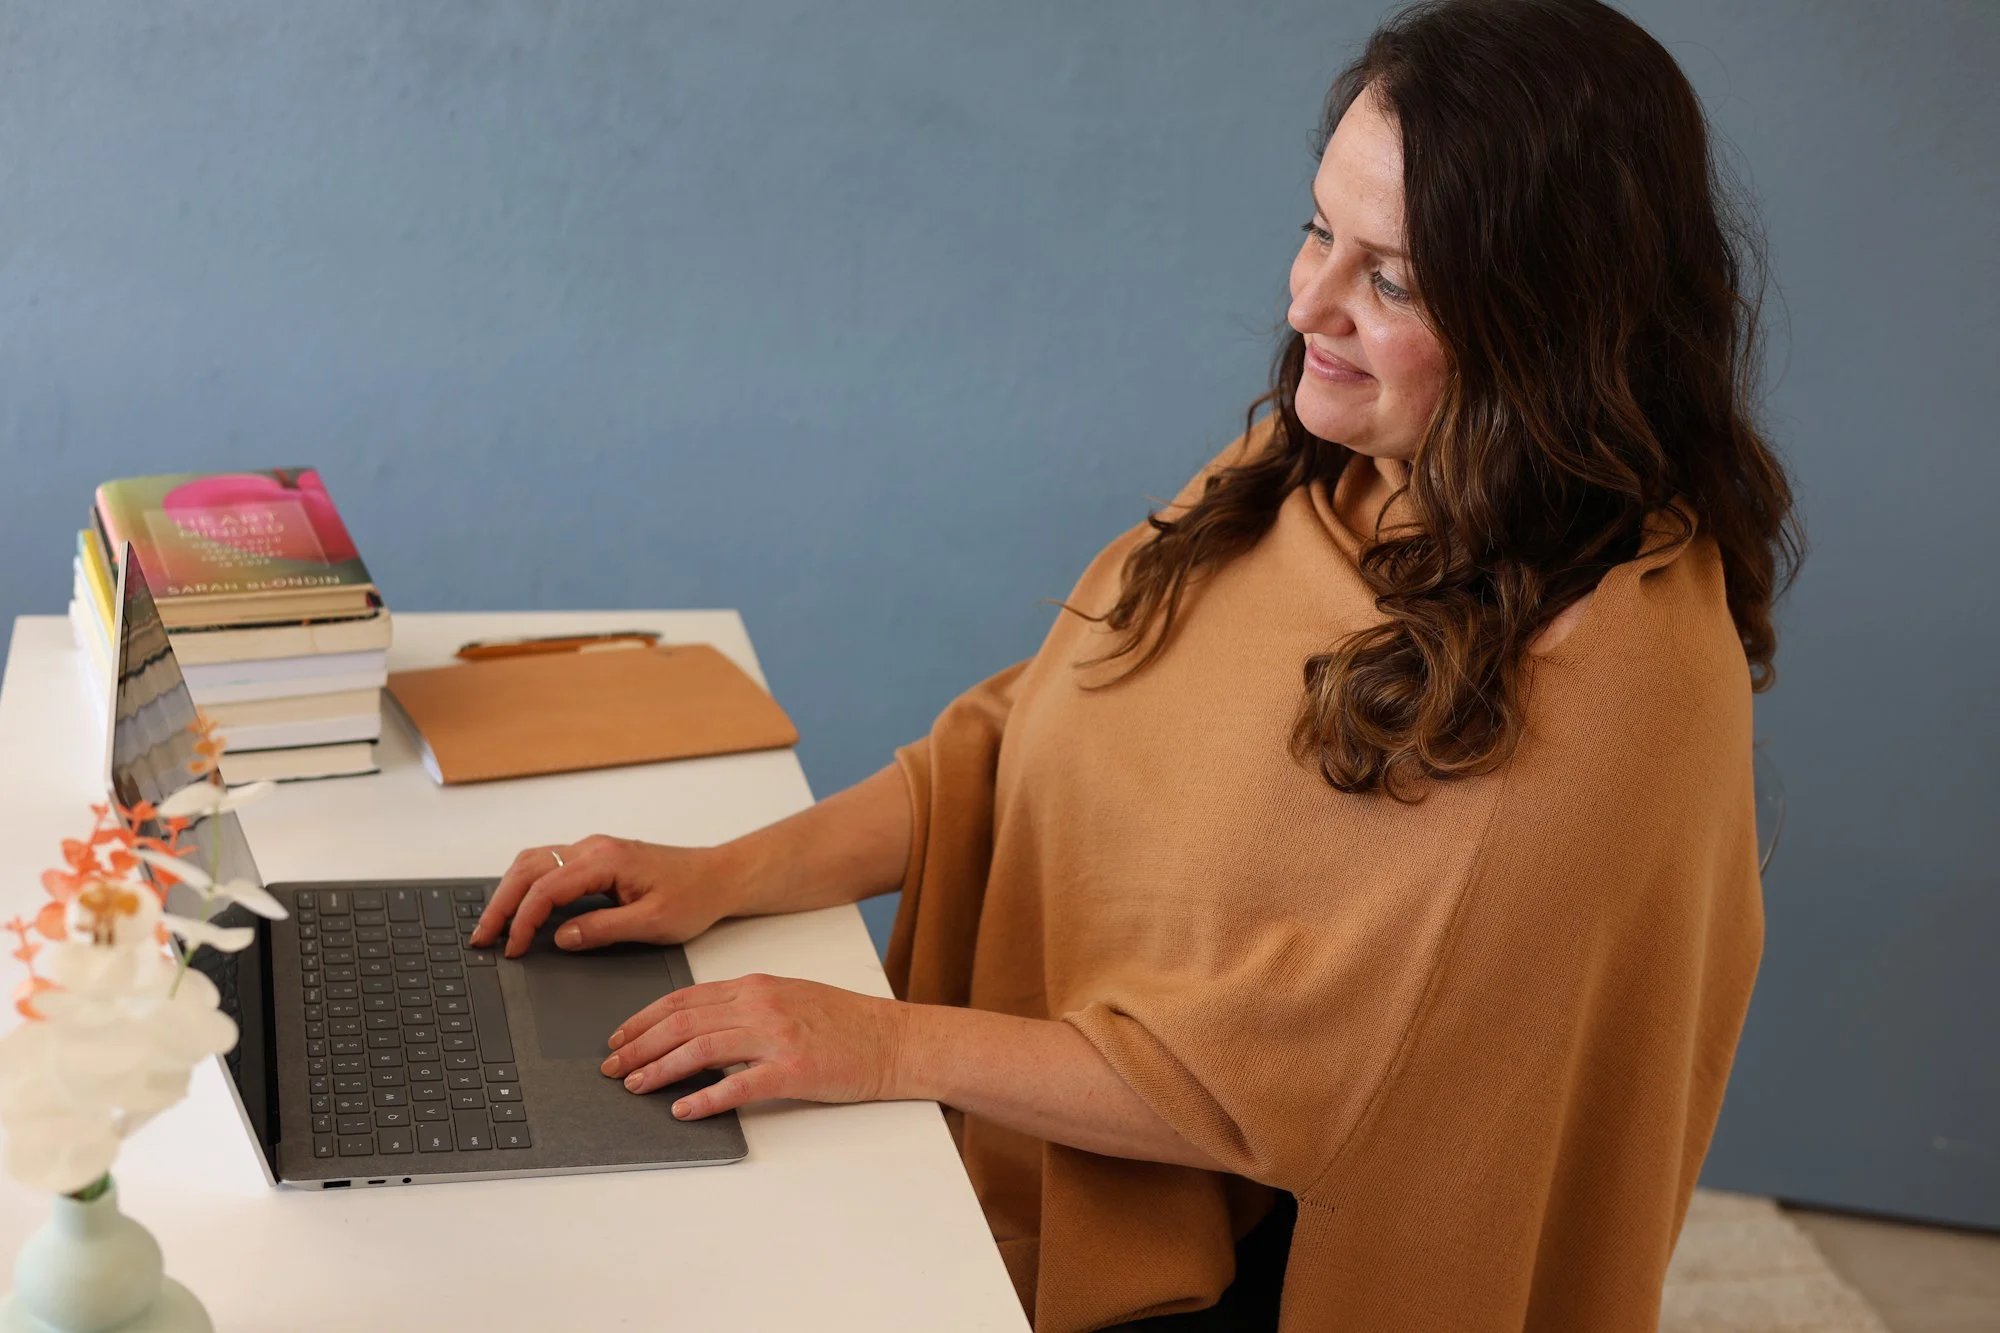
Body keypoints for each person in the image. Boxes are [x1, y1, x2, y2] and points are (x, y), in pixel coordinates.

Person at [471, 0, 1801, 1327]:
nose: (1310, 302)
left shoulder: (1609, 680)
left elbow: (1300, 1089)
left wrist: (875, 1044)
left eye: (1392, 278)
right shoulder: (1325, 469)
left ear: (1553, 321)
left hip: (1255, 1267)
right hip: (1046, 1129)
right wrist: (724, 873)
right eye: (1318, 229)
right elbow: (1036, 730)